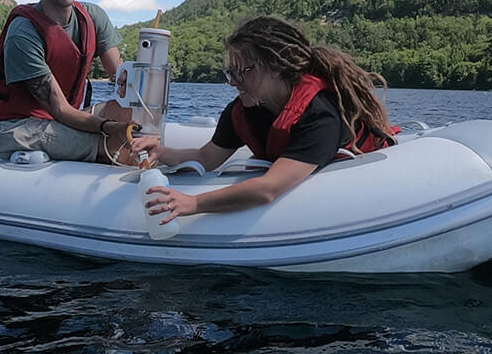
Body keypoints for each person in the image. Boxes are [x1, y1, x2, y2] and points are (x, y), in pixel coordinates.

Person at [132, 15, 398, 224]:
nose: (233, 83)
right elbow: (207, 157)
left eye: (242, 72)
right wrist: (162, 151)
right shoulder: (244, 110)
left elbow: (269, 188)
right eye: (230, 73)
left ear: (275, 67)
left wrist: (194, 203)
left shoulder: (320, 113)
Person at [0, 0, 130, 162]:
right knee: (113, 143)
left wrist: (144, 80)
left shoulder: (93, 17)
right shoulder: (23, 33)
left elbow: (121, 78)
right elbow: (59, 109)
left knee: (131, 114)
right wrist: (108, 127)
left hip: (63, 119)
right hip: (16, 126)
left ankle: (185, 163)